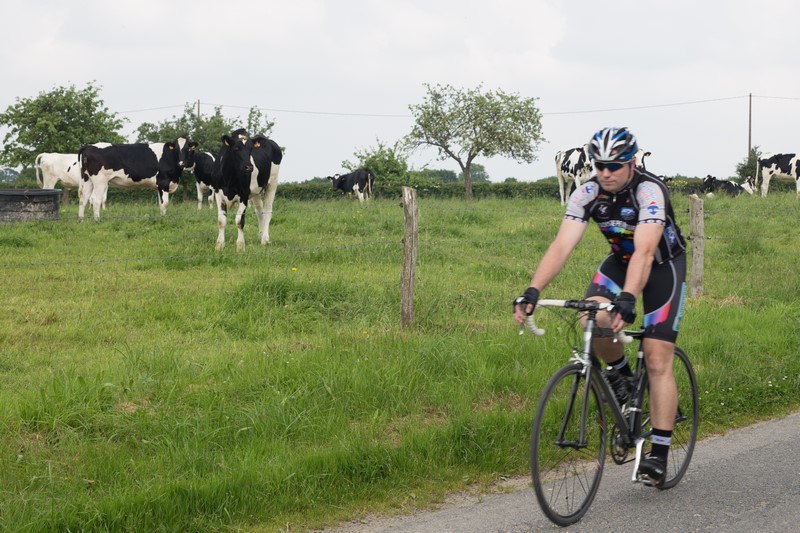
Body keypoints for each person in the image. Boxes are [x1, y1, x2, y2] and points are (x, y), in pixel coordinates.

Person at [513, 127, 687, 487]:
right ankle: (622, 375)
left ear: (632, 162)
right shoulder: (587, 193)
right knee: (591, 314)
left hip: (661, 268)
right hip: (619, 261)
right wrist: (533, 289)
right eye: (598, 165)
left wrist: (628, 297)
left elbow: (644, 251)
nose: (605, 172)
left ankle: (659, 453)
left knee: (656, 358)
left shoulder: (649, 191)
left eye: (614, 165)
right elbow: (562, 245)